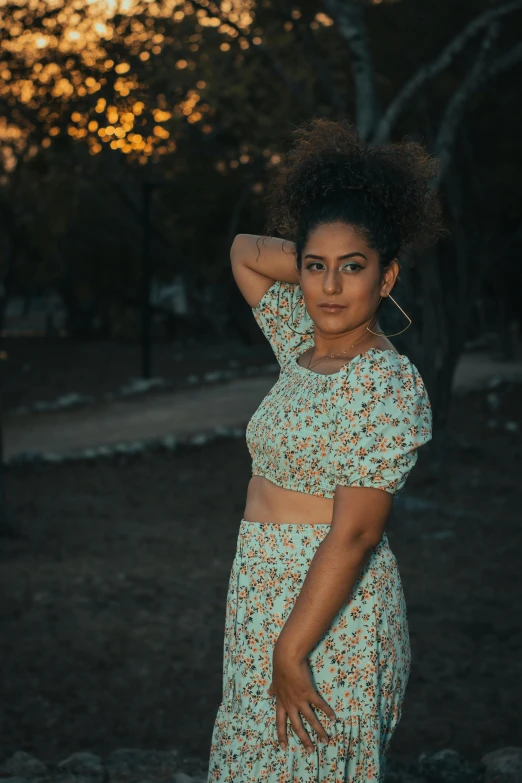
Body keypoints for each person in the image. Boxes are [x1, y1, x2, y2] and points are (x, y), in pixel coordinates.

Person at [207, 117, 442, 782]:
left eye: (354, 269)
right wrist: (323, 252)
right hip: (260, 591)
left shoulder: (386, 383)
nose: (331, 288)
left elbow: (358, 533)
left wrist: (292, 647)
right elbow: (245, 250)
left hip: (327, 614)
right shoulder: (299, 342)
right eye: (317, 269)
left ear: (388, 276)